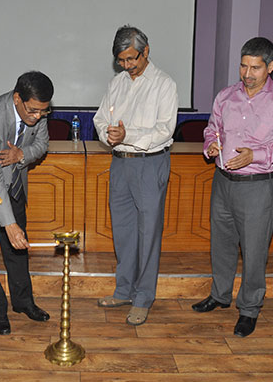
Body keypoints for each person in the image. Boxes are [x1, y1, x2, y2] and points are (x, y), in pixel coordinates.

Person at [192, 37, 273, 337]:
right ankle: (220, 294)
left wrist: (257, 155)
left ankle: (250, 309)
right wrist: (210, 145)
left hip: (257, 185)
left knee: (254, 251)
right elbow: (212, 127)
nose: (247, 73)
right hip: (223, 181)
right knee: (222, 244)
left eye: (255, 67)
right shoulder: (226, 96)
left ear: (271, 67)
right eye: (243, 65)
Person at [93, 25, 178, 326]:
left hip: (149, 163)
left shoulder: (164, 84)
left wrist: (129, 134)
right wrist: (109, 134)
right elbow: (100, 118)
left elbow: (165, 130)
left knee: (147, 233)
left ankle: (143, 297)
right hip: (120, 163)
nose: (127, 66)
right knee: (124, 230)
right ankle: (124, 290)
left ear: (146, 51)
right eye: (121, 60)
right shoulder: (116, 82)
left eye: (131, 59)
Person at [0, 71, 53, 335]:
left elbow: (42, 145)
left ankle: (23, 302)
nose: (38, 117)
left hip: (14, 186)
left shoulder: (37, 112)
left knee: (17, 250)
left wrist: (21, 154)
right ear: (17, 98)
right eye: (34, 111)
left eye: (44, 112)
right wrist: (10, 223)